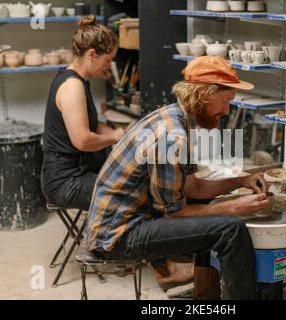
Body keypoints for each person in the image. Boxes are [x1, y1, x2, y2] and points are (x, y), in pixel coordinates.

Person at [86, 56, 271, 300]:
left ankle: (205, 298)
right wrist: (233, 206)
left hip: (125, 222)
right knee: (230, 229)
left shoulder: (174, 116)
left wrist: (240, 181)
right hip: (119, 236)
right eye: (225, 102)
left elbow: (192, 187)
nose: (226, 111)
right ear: (203, 94)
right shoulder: (173, 135)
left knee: (213, 212)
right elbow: (173, 212)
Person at [41, 15, 124, 210]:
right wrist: (114, 137)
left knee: (131, 181)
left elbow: (91, 124)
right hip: (65, 181)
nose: (108, 66)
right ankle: (107, 239)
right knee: (130, 192)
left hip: (76, 171)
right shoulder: (72, 86)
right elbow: (83, 140)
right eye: (108, 60)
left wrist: (121, 133)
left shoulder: (76, 80)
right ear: (92, 54)